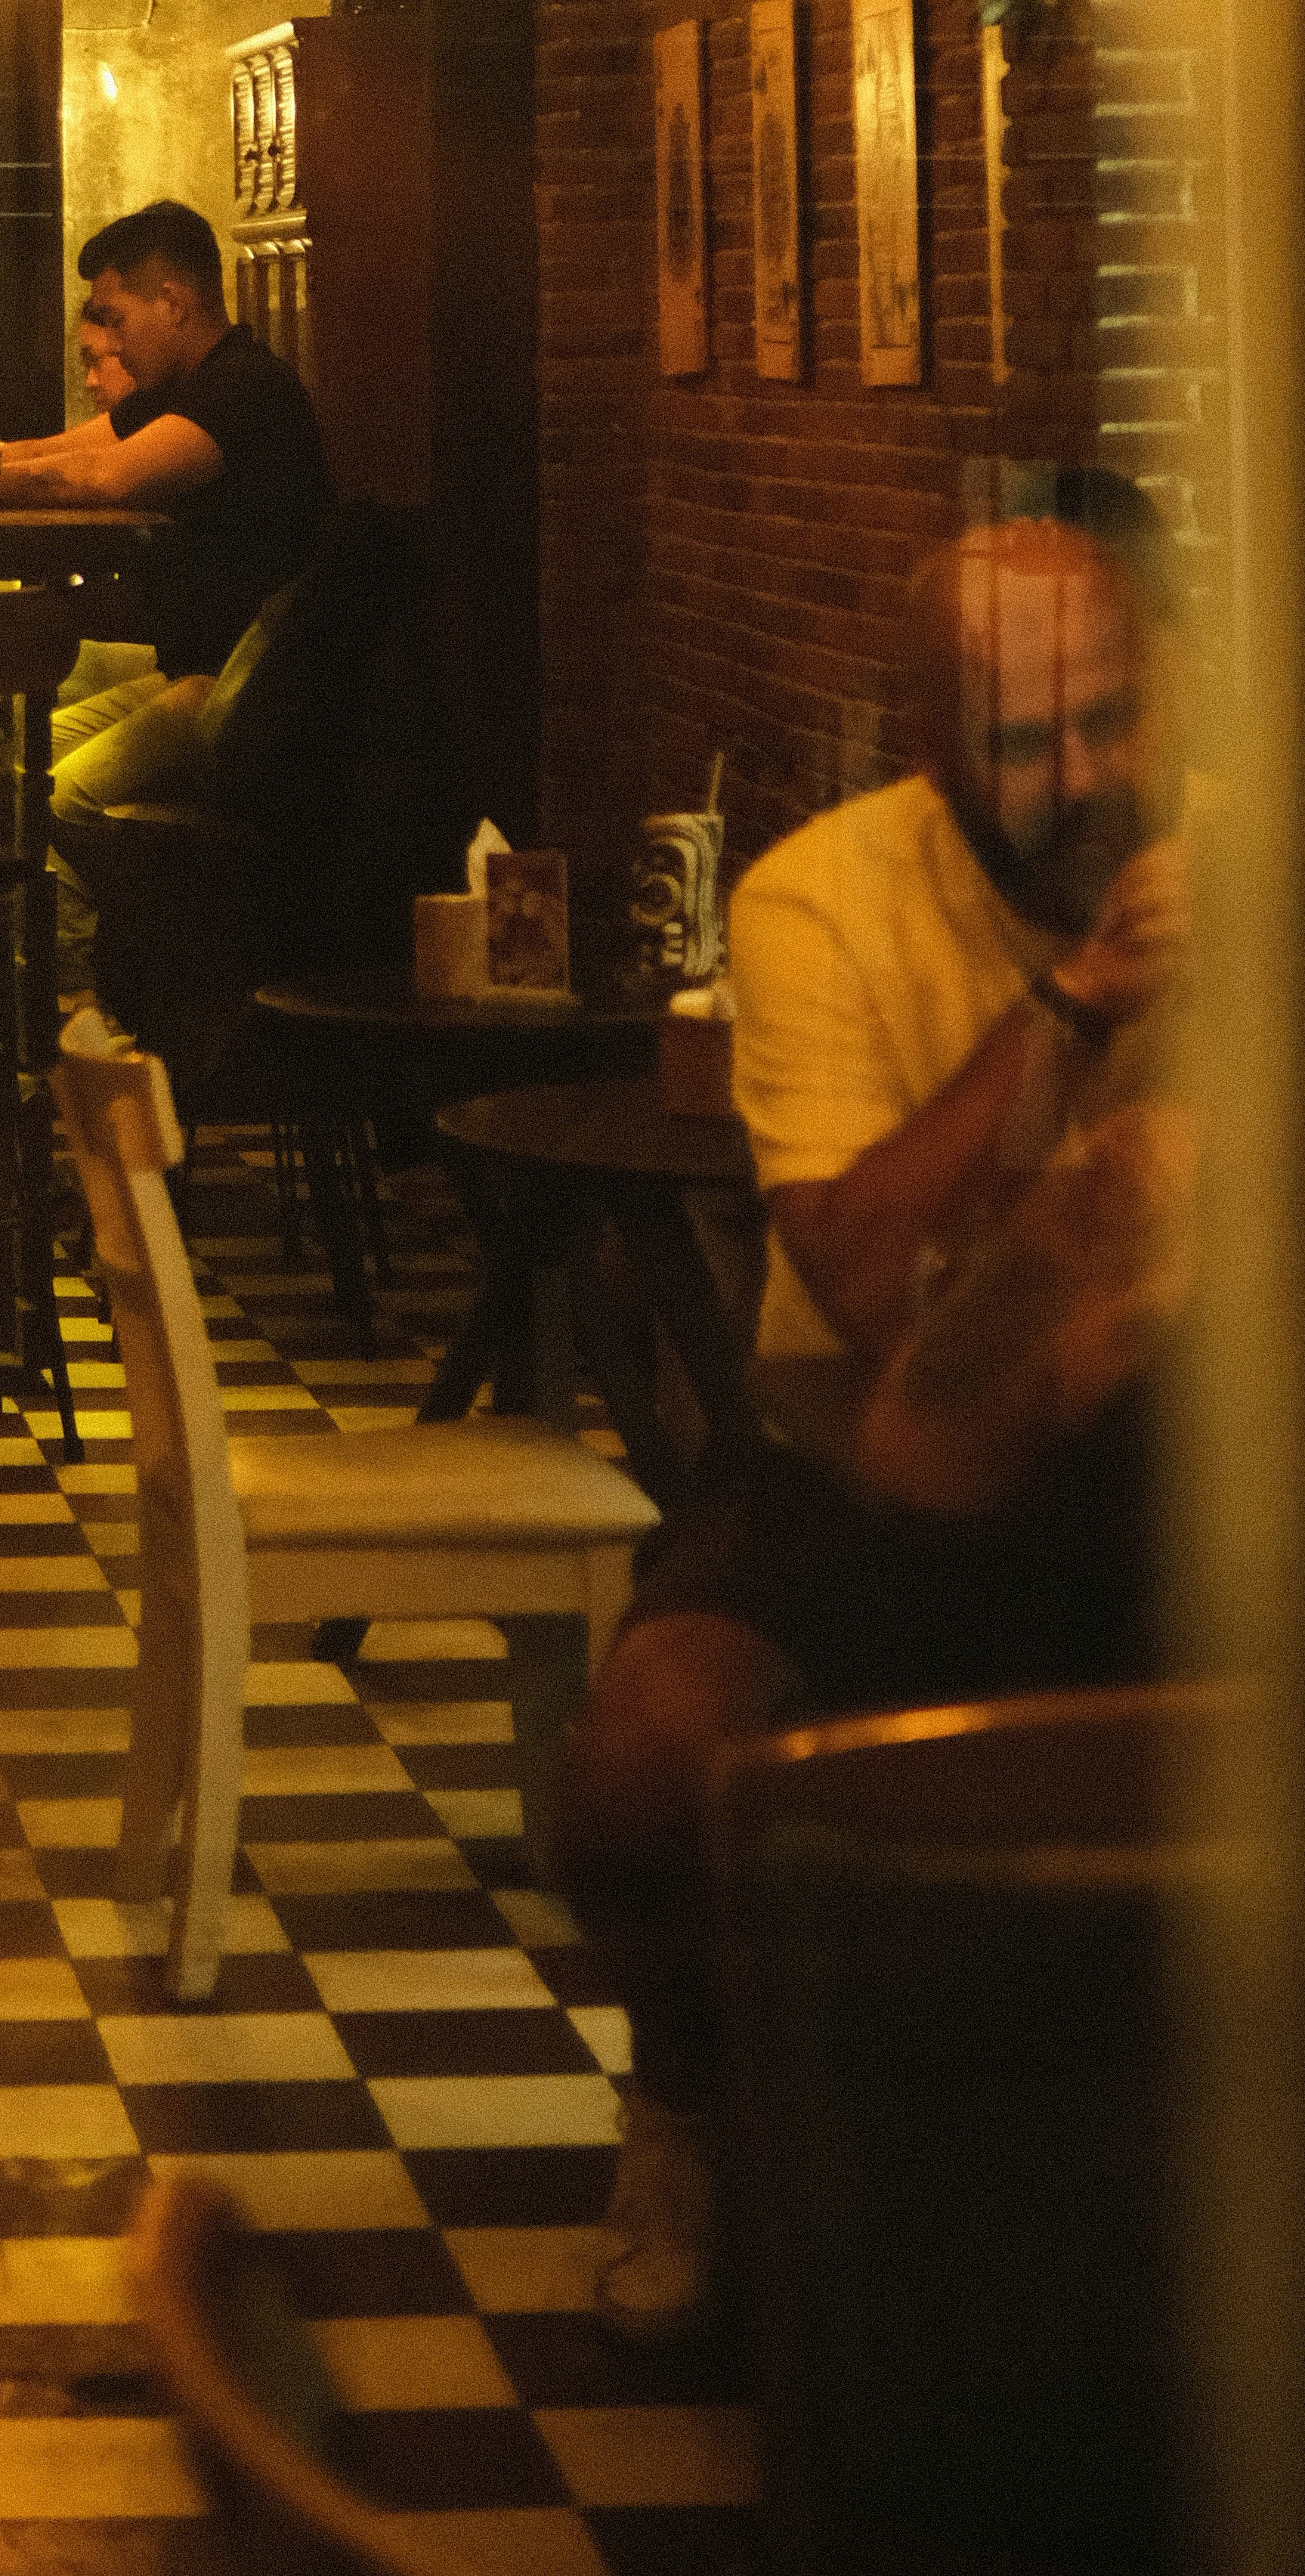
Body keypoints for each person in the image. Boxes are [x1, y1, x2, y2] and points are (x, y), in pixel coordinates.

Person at [556, 479, 1195, 2344]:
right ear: (931, 748)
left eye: (1110, 715)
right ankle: (680, 2100)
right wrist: (1071, 1009)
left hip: (1176, 1461)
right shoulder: (817, 898)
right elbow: (859, 1283)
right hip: (853, 1470)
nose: (1079, 772)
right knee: (641, 1759)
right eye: (1020, 739)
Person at [0, 199, 335, 851]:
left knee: (57, 802)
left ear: (173, 304)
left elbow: (102, 477)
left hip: (240, 688)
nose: (113, 342)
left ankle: (85, 953)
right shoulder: (177, 392)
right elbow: (57, 451)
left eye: (118, 319)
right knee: (8, 763)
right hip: (193, 674)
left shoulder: (243, 388)